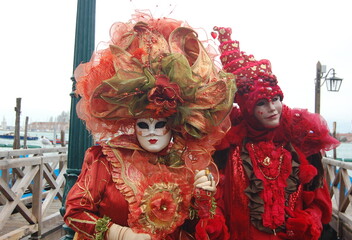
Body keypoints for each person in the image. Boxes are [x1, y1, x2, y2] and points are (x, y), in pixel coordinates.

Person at [63, 12, 236, 240]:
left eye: (160, 124)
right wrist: (119, 234)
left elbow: (195, 230)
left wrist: (203, 199)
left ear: (173, 125)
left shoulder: (185, 165)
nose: (152, 131)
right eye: (144, 124)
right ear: (133, 124)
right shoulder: (105, 160)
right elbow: (75, 212)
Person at [212, 26, 340, 240]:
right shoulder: (228, 145)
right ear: (247, 108)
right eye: (262, 103)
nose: (272, 108)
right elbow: (217, 199)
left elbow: (319, 198)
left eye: (276, 99)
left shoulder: (298, 139)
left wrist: (310, 218)